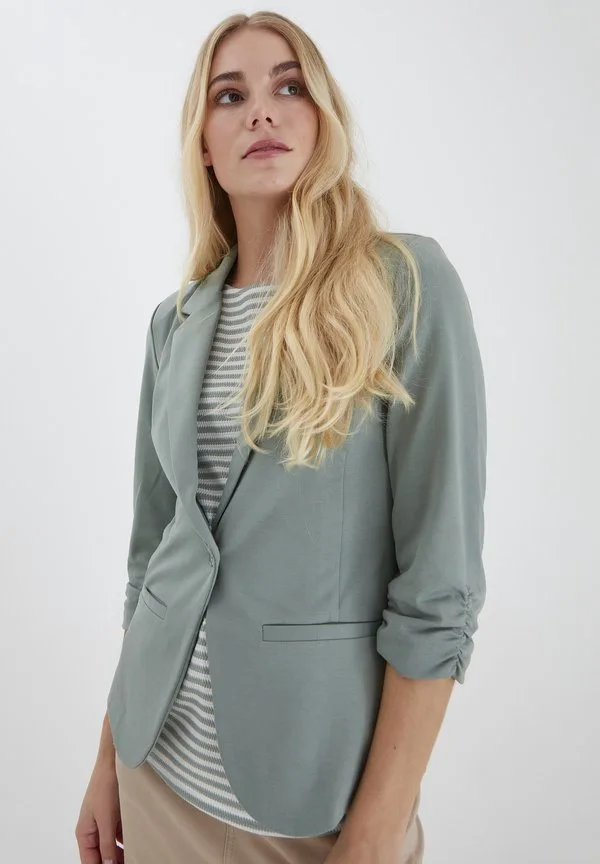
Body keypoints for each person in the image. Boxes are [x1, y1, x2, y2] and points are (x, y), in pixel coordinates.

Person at [75, 10, 487, 864]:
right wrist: (109, 754)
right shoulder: (175, 322)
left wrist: (376, 832)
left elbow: (439, 588)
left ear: (322, 117)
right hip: (158, 770)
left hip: (307, 801)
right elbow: (153, 558)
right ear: (203, 143)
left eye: (288, 85)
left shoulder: (403, 284)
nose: (262, 109)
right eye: (230, 95)